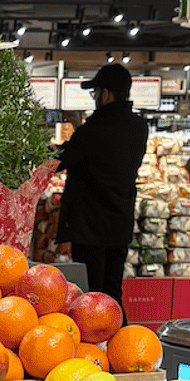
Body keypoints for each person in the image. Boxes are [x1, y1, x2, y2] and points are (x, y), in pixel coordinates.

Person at [56, 62, 149, 305]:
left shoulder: (94, 130)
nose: (95, 97)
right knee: (112, 291)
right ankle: (120, 329)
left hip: (90, 225)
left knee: (91, 296)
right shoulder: (139, 126)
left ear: (106, 94)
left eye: (95, 92)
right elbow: (102, 153)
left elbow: (62, 159)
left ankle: (98, 331)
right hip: (120, 220)